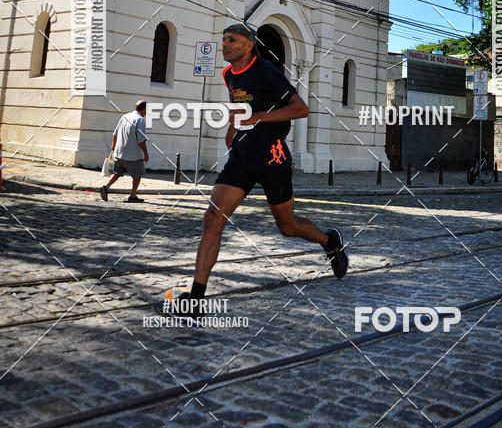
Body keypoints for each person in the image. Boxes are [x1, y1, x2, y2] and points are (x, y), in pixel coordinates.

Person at [164, 24, 348, 311]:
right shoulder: (228, 74)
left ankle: (329, 241)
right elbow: (238, 105)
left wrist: (258, 118)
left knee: (287, 227)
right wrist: (230, 132)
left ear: (249, 44)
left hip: (272, 159)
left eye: (232, 40)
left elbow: (301, 108)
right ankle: (196, 299)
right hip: (242, 157)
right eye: (223, 40)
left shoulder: (265, 71)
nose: (225, 45)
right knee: (213, 218)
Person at [100, 100, 149, 203]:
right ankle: (132, 195)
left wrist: (113, 148)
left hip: (119, 152)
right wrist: (145, 153)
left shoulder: (125, 116)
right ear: (144, 109)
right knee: (137, 175)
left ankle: (106, 187)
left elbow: (115, 134)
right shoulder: (140, 120)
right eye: (146, 110)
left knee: (117, 173)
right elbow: (141, 140)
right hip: (133, 155)